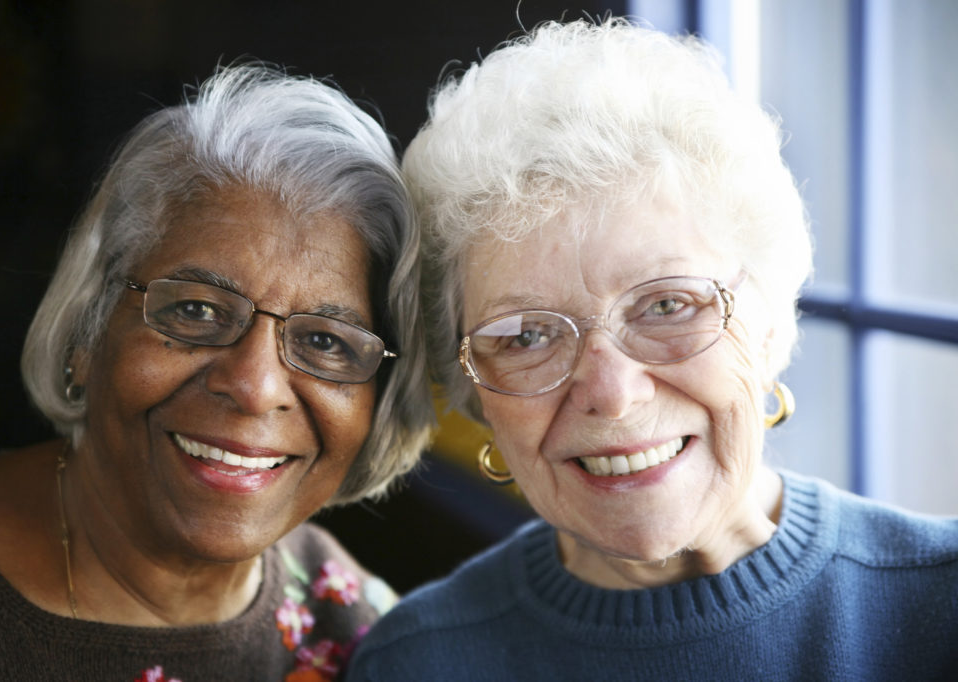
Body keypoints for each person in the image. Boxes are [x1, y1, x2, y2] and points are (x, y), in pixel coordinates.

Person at [346, 19, 958, 681]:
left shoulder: (939, 605)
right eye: (526, 335)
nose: (612, 395)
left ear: (772, 320)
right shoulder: (417, 663)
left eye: (667, 306)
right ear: (474, 391)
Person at [0, 63, 434, 681]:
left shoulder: (366, 645)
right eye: (196, 309)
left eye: (326, 341)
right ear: (89, 328)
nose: (255, 387)